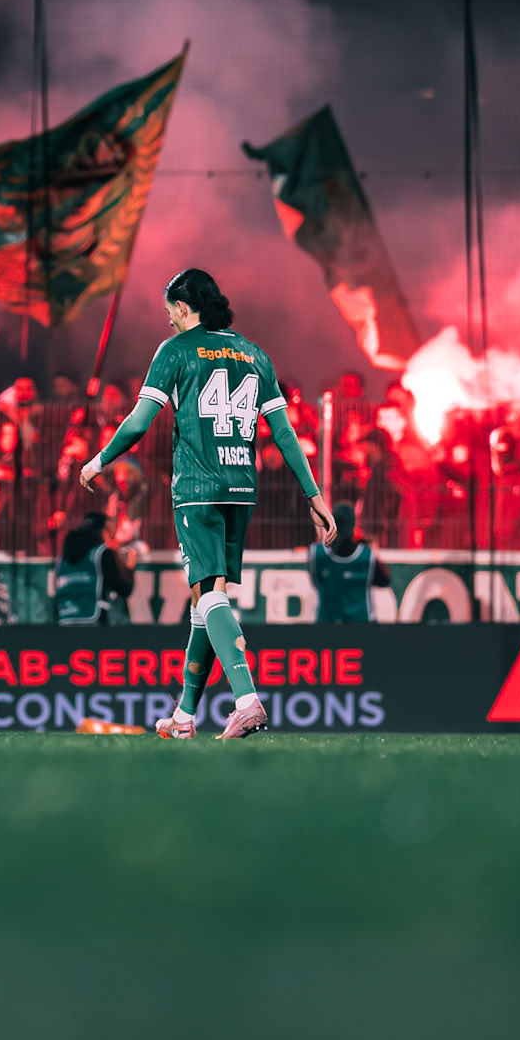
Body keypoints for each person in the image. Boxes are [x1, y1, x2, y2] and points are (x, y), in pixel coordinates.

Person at [80, 266, 334, 740]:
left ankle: (246, 699)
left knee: (208, 595)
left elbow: (139, 422)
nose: (168, 321)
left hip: (197, 488)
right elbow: (282, 432)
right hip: (241, 488)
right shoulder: (254, 353)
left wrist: (99, 460)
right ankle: (183, 715)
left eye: (169, 312)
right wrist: (314, 495)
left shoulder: (175, 350)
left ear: (183, 307)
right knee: (205, 599)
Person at [309, 503, 393, 622]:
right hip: (361, 625)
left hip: (328, 624)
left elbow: (316, 582)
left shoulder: (317, 553)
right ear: (353, 525)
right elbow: (384, 581)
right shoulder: (366, 555)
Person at [53, 511, 135, 625]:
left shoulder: (61, 559)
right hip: (94, 622)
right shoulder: (101, 553)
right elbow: (124, 589)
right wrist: (129, 567)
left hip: (65, 619)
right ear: (104, 529)